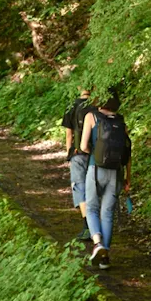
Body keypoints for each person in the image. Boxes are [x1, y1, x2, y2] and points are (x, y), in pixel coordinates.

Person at [80, 86, 131, 269]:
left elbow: (83, 145)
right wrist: (128, 178)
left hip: (96, 169)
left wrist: (94, 152)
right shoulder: (121, 121)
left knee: (92, 208)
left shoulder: (91, 117)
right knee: (107, 213)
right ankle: (105, 258)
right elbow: (127, 151)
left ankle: (97, 243)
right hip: (116, 172)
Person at [62, 88, 92, 240]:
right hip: (96, 154)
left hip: (78, 153)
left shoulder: (72, 106)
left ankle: (87, 226)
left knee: (80, 187)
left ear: (80, 89)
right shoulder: (97, 105)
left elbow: (69, 134)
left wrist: (69, 153)